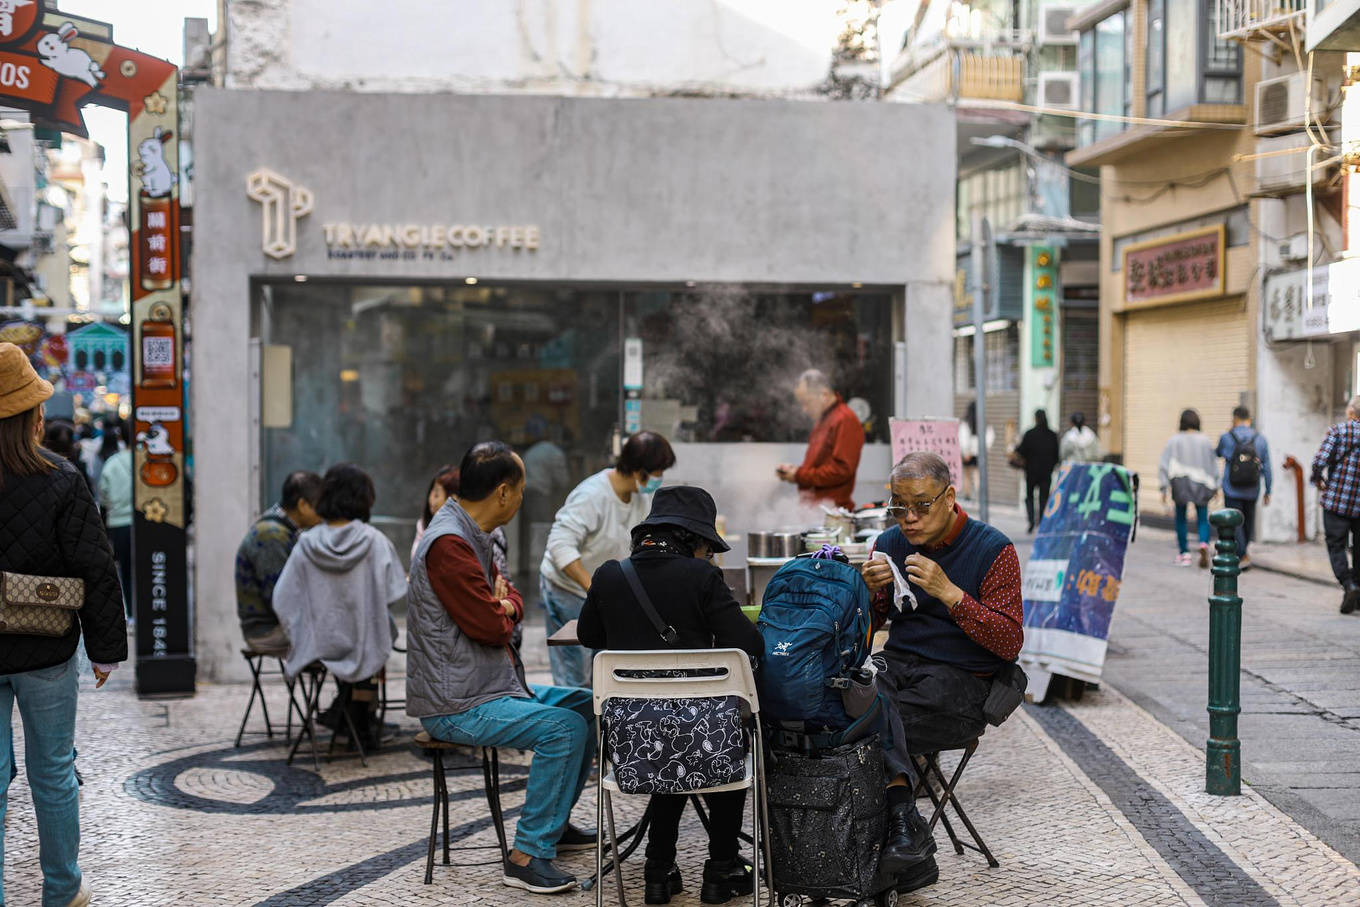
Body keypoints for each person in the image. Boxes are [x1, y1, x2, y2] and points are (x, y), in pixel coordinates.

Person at [408, 442, 596, 894]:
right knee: (564, 729)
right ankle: (526, 855)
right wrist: (505, 606)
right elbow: (493, 627)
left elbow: (507, 595)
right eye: (524, 489)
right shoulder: (450, 544)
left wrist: (504, 601)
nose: (524, 498)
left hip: (493, 684)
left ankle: (553, 822)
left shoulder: (474, 533)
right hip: (458, 700)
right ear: (505, 492)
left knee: (589, 706)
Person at [577, 486, 763, 905]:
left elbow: (589, 635)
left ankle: (657, 870)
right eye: (707, 548)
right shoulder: (702, 577)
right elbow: (748, 644)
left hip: (632, 742)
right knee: (713, 727)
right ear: (692, 540)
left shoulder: (610, 574)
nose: (708, 556)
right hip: (707, 742)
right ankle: (722, 870)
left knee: (665, 726)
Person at [861, 451, 1025, 893]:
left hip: (964, 682)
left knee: (863, 728)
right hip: (900, 669)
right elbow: (867, 631)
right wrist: (864, 595)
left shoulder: (993, 549)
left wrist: (949, 593)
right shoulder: (890, 545)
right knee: (853, 699)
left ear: (950, 497)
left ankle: (896, 852)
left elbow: (1010, 642)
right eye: (899, 506)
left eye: (922, 505)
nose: (909, 518)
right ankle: (905, 837)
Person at [0, 342, 126, 907]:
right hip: (45, 646)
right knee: (53, 771)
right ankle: (63, 892)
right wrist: (104, 651)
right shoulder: (60, 477)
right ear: (32, 414)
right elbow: (94, 567)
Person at [273, 464, 406, 748]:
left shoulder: (306, 542)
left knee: (361, 641)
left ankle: (348, 714)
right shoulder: (374, 541)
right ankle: (359, 718)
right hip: (363, 642)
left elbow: (283, 598)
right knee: (376, 637)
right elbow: (394, 591)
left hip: (319, 646)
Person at [540, 431, 676, 688]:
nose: (660, 478)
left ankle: (600, 721)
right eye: (658, 471)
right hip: (568, 588)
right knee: (575, 672)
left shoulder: (640, 495)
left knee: (603, 664)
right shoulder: (592, 496)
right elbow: (560, 546)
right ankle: (576, 723)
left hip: (603, 591)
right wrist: (593, 589)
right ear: (639, 470)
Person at [234, 471, 323, 656]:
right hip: (266, 632)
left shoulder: (282, 529)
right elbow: (280, 598)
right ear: (303, 505)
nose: (323, 514)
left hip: (276, 625)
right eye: (320, 507)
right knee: (346, 639)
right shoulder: (272, 535)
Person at [775, 369, 865, 509]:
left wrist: (799, 475)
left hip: (832, 512)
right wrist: (795, 471)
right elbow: (819, 466)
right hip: (814, 510)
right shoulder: (822, 421)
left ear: (824, 394)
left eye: (807, 402)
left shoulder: (845, 419)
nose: (804, 409)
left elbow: (841, 471)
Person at [1311, 397, 1360, 613]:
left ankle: (1349, 584)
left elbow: (1319, 461)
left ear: (1351, 412)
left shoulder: (1338, 431)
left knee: (1335, 545)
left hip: (1336, 501)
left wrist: (1317, 479)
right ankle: (1357, 592)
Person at [1159, 410, 1218, 568]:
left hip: (1181, 481)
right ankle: (1204, 544)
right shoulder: (1205, 440)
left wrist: (1164, 487)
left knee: (1180, 518)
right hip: (1202, 482)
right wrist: (1216, 485)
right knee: (1202, 517)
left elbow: (1164, 464)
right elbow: (1213, 464)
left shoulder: (1174, 440)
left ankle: (1184, 553)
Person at [1216, 406, 1271, 568]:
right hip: (1252, 489)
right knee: (1248, 522)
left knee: (1234, 522)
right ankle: (1243, 552)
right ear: (1249, 419)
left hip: (1231, 488)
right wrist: (1269, 489)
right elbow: (1267, 466)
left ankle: (1241, 553)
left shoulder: (1227, 437)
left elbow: (1218, 453)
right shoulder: (1260, 439)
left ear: (1234, 418)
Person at [96, 425, 133, 618]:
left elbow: (103, 495)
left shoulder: (112, 463)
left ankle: (132, 613)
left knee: (126, 571)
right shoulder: (147, 461)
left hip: (118, 523)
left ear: (121, 436)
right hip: (145, 522)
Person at [1014, 409, 1060, 533]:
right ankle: (1042, 522)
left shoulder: (1030, 434)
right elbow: (1057, 455)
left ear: (1036, 419)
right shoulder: (1052, 435)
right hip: (1046, 472)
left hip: (1031, 471)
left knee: (1029, 496)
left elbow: (1021, 451)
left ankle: (1031, 522)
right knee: (1044, 497)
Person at [958, 401, 978, 501]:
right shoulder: (983, 422)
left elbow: (963, 437)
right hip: (978, 452)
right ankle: (979, 494)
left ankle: (967, 495)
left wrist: (965, 451)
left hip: (968, 452)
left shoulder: (966, 422)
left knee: (966, 474)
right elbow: (990, 436)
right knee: (976, 473)